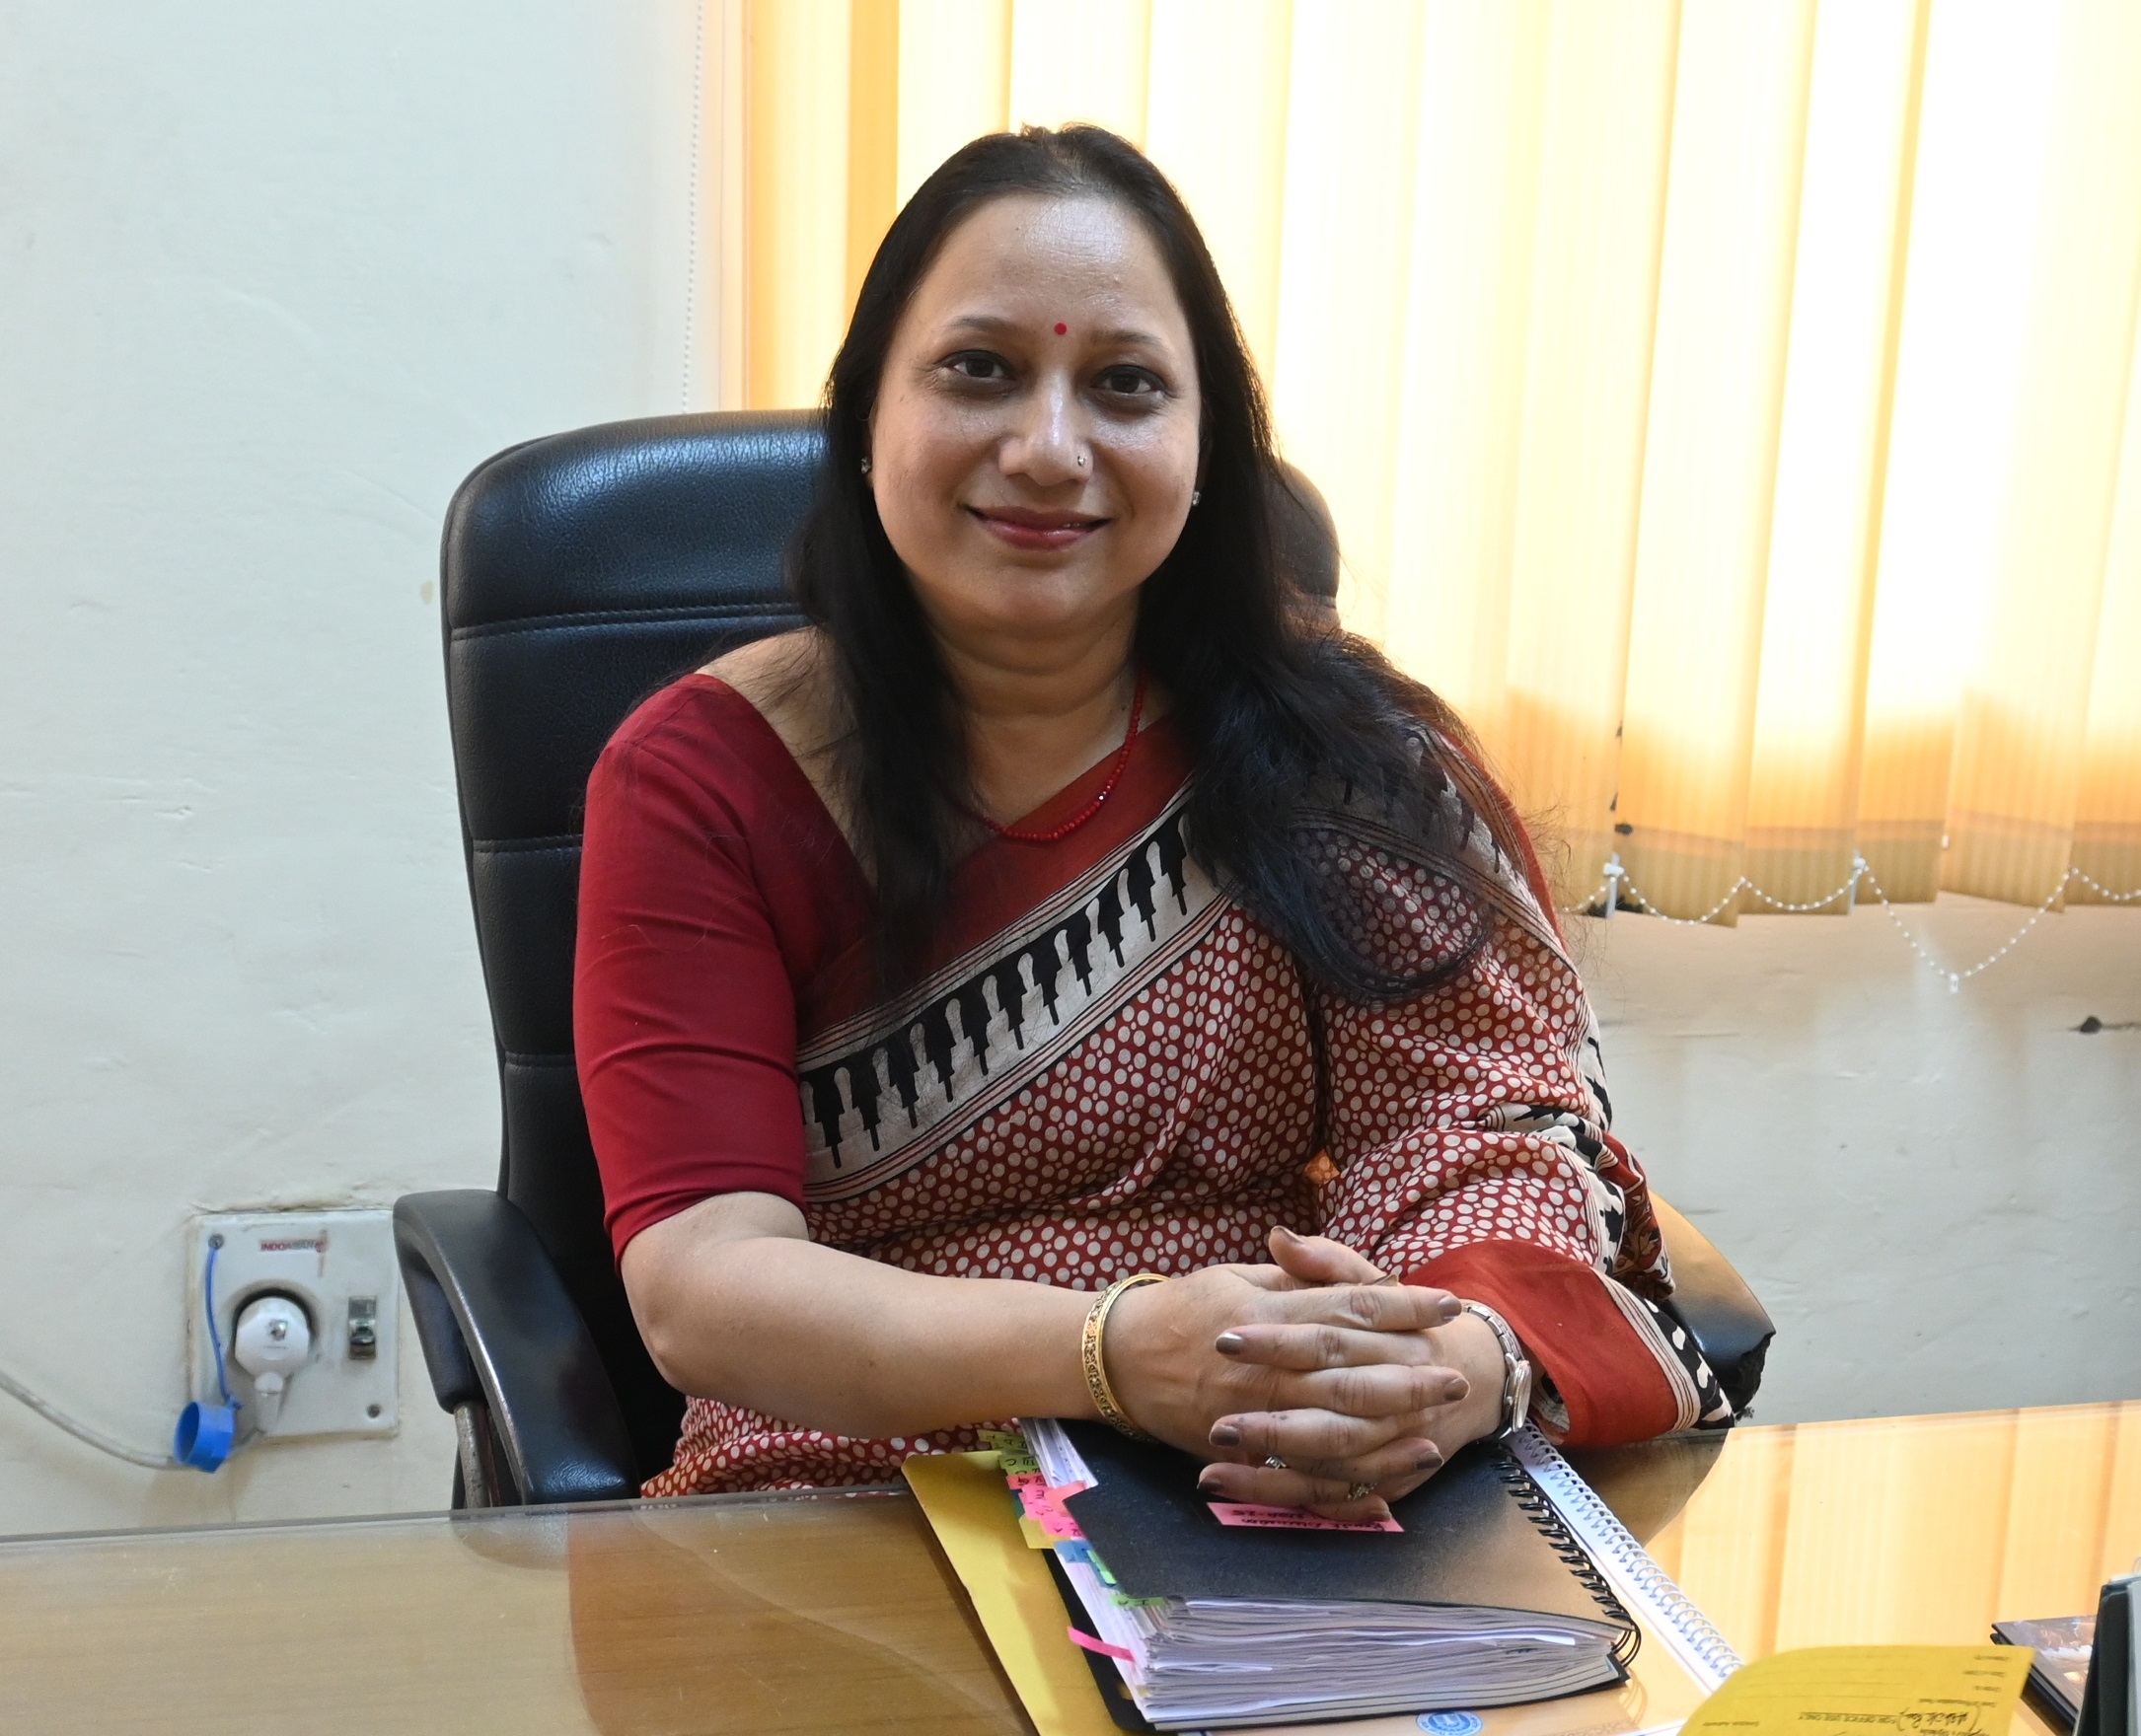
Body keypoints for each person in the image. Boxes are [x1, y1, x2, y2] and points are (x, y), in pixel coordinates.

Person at [573, 125, 1731, 1519]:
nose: (1049, 448)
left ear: (1199, 454)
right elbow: (703, 1285)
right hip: (846, 1485)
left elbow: (1477, 1133)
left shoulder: (1346, 759)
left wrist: (1447, 1369)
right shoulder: (705, 777)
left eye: (1122, 385)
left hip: (1282, 1472)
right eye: (980, 370)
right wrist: (1109, 1352)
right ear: (866, 416)